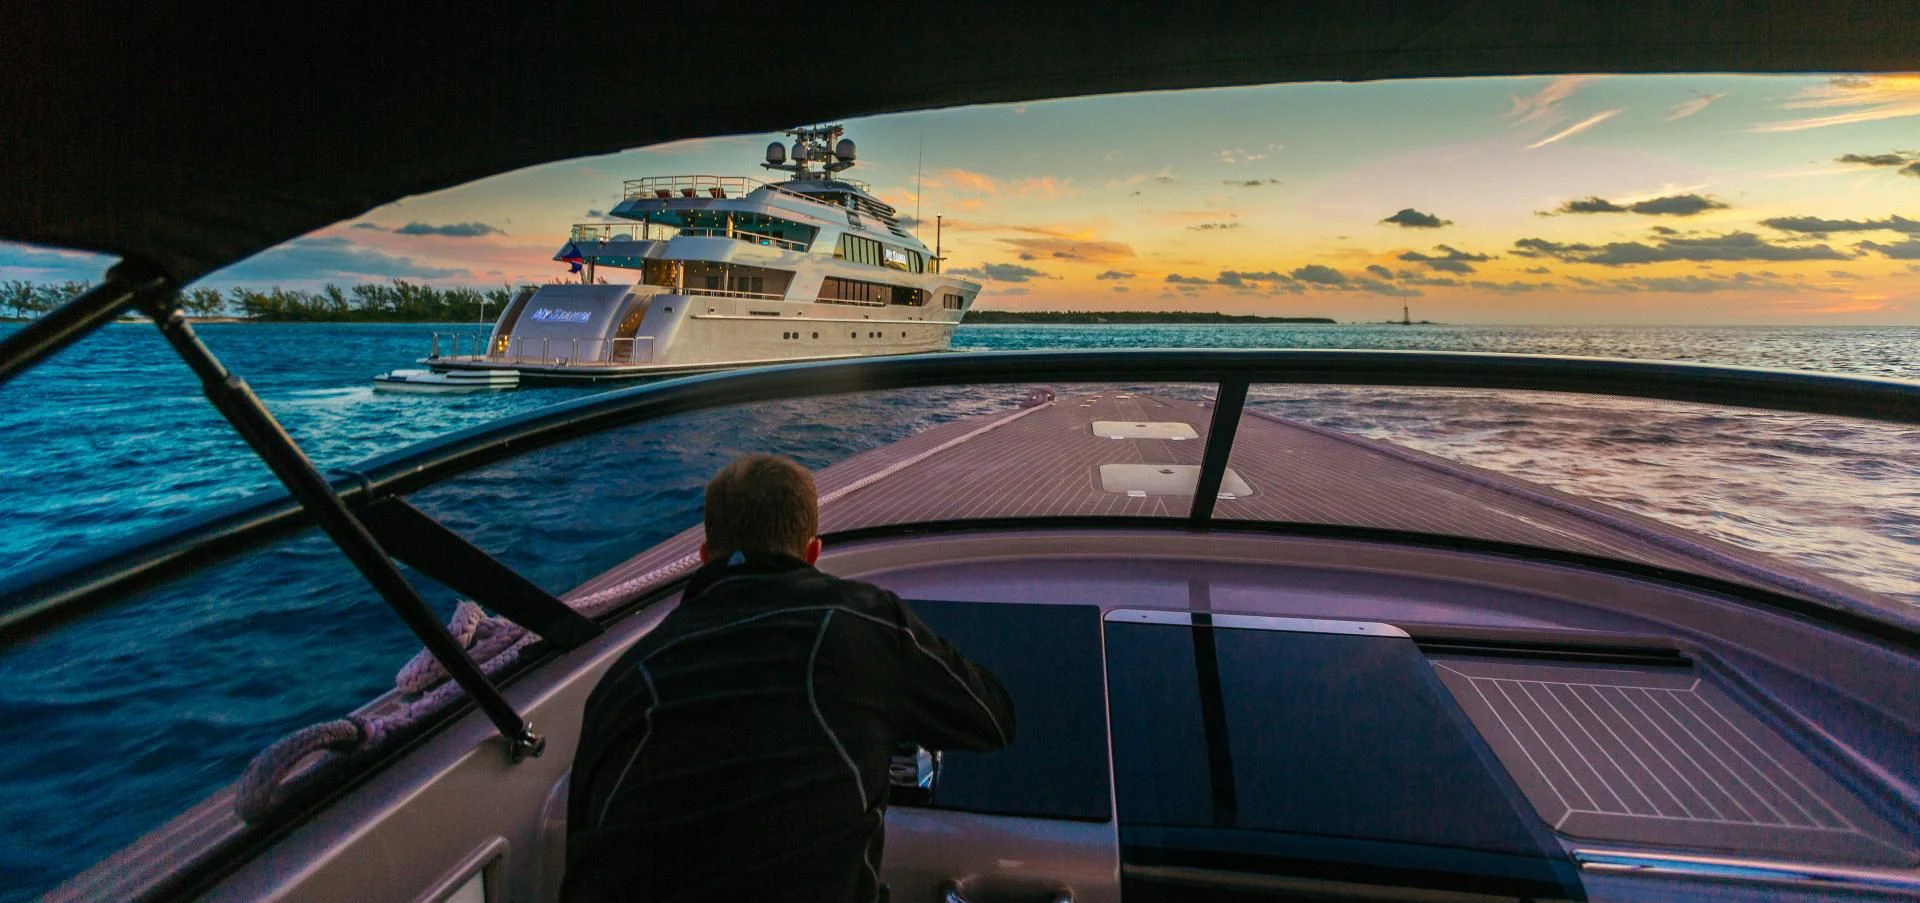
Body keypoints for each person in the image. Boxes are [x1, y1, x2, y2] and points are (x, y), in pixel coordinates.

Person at [563, 453, 1015, 902]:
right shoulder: (864, 624)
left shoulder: (622, 680)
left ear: (704, 557)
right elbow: (993, 718)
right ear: (813, 553)